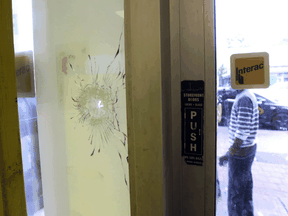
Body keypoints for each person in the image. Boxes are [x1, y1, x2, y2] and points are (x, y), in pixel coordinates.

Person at [219, 89, 259, 216]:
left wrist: (229, 153)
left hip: (241, 152)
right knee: (245, 188)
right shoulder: (245, 94)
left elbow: (242, 132)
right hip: (247, 150)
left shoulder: (243, 99)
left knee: (235, 193)